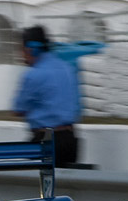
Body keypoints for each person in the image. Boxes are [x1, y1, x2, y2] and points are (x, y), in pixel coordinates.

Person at [12, 25, 80, 167]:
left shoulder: (33, 74)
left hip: (45, 141)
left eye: (22, 50)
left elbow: (18, 109)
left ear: (30, 49)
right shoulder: (67, 68)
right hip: (70, 140)